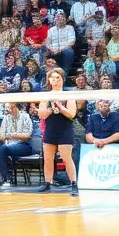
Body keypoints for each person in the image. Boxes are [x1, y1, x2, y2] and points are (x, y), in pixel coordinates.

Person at [38, 67, 79, 195]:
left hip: (65, 130)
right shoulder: (46, 96)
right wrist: (52, 108)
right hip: (50, 130)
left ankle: (74, 184)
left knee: (67, 158)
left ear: (62, 79)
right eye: (53, 78)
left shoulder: (68, 95)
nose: (55, 80)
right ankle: (47, 184)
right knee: (48, 159)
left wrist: (60, 107)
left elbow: (71, 114)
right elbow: (42, 115)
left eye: (58, 78)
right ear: (49, 80)